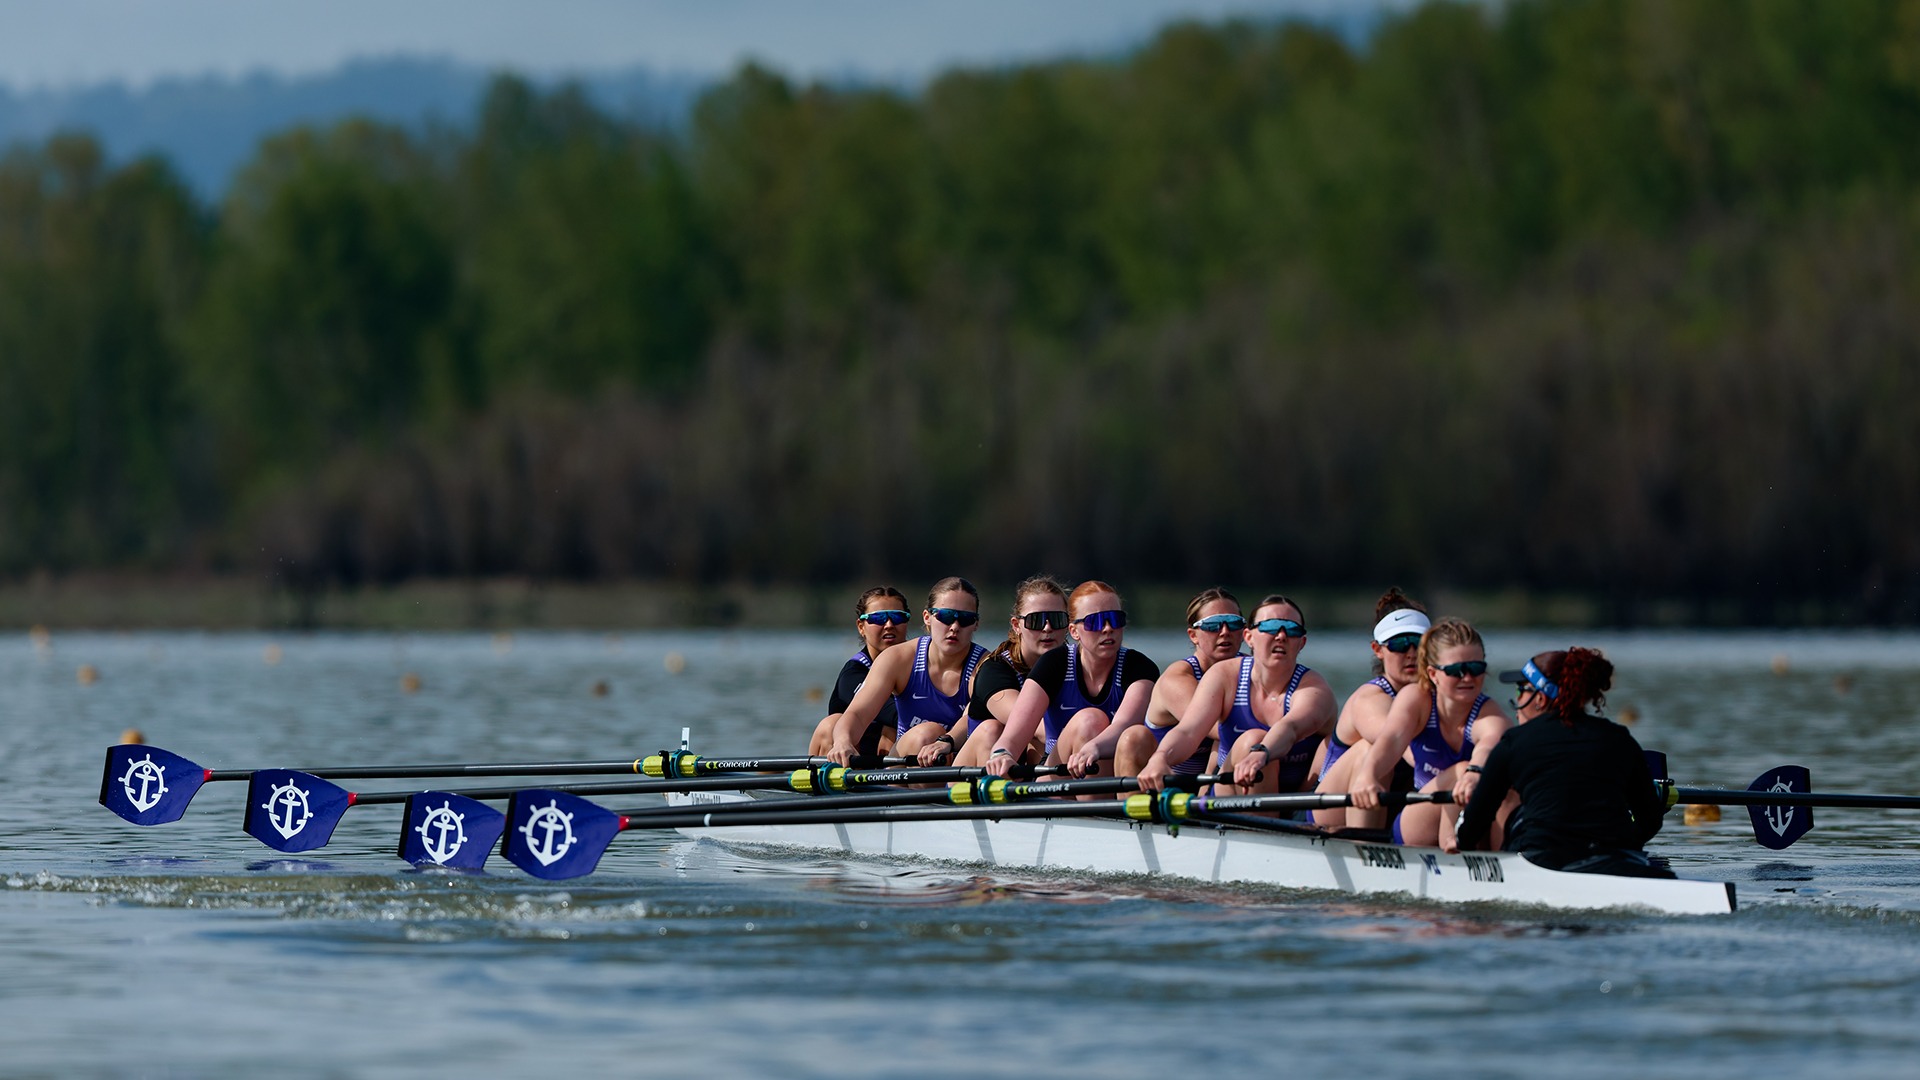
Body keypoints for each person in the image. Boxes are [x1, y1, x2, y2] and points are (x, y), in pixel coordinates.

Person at [1452, 649, 1671, 877]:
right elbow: (1651, 819)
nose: (1517, 698)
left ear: (1540, 697)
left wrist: (1459, 844)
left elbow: (1476, 822)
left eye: (1521, 690)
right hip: (1617, 859)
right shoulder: (1619, 738)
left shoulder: (1514, 743)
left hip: (1541, 861)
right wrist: (1626, 845)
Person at [1137, 595, 1337, 799]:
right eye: (1271, 627)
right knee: (1251, 739)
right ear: (1249, 637)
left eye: (1291, 629)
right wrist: (1160, 758)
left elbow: (1291, 728)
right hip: (1229, 794)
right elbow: (1189, 731)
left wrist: (1263, 754)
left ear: (1302, 642)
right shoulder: (1224, 675)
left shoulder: (1314, 687)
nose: (1281, 636)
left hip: (1298, 801)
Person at [1348, 617, 1513, 849]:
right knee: (1460, 770)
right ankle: (1451, 846)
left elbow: (1489, 743)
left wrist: (1476, 773)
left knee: (1508, 789)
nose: (1467, 678)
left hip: (1471, 816)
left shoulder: (1489, 713)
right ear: (1433, 674)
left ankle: (1504, 860)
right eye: (1456, 671)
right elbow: (1391, 741)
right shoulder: (1417, 698)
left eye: (1476, 669)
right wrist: (1367, 776)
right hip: (1418, 821)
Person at [984, 580, 1159, 782]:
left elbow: (1123, 726)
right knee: (1090, 721)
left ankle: (1102, 811)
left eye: (1115, 619)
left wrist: (1093, 747)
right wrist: (1002, 754)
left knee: (1133, 736)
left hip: (1112, 771)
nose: (1108, 629)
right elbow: (1014, 734)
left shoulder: (1139, 668)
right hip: (1058, 776)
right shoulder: (1054, 664)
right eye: (1095, 622)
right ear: (1074, 631)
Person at [827, 577, 989, 767]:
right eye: (945, 616)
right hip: (903, 764)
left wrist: (946, 741)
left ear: (976, 624)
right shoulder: (897, 658)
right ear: (927, 617)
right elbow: (857, 714)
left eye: (965, 619)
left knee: (945, 733)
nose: (954, 627)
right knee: (926, 734)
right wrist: (842, 741)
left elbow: (970, 718)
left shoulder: (985, 665)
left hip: (955, 766)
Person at [1311, 588, 1429, 829]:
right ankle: (1362, 846)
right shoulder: (1370, 698)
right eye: (1399, 644)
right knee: (1371, 750)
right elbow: (1397, 742)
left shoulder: (1436, 695)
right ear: (1378, 650)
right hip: (1329, 811)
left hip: (1391, 805)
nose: (1411, 653)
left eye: (1418, 643)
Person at [1113, 587, 1245, 780]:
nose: (1225, 632)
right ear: (1193, 635)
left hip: (1214, 783)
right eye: (1213, 625)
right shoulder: (1176, 679)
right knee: (1133, 737)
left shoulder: (1251, 667)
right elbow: (1214, 727)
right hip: (1165, 784)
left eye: (1234, 624)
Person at [951, 575, 1070, 768]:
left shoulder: (1076, 667)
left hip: (1028, 769)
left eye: (1057, 619)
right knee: (994, 730)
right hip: (975, 776)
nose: (1047, 628)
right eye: (1036, 620)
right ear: (1016, 625)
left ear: (1069, 625)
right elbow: (1033, 727)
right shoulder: (995, 670)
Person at [807, 586, 911, 756]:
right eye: (878, 618)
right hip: (857, 755)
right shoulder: (853, 674)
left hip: (909, 746)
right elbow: (888, 712)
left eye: (898, 617)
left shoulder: (924, 662)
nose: (889, 625)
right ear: (861, 627)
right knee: (830, 725)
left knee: (897, 732)